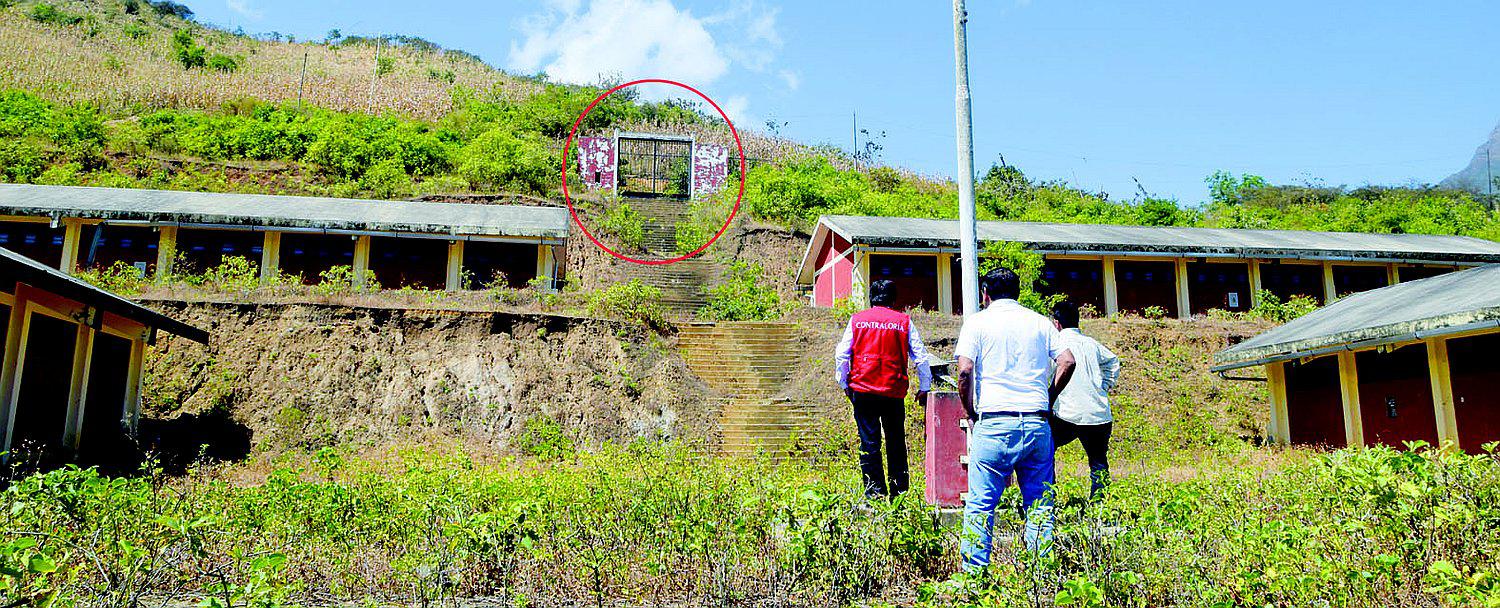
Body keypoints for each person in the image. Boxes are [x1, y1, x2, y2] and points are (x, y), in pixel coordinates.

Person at [955, 268, 1075, 569]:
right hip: (1036, 422)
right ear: (1018, 292)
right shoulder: (1040, 322)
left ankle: (974, 576)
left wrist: (970, 410)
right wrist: (1048, 396)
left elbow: (965, 371)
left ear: (985, 293)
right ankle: (1039, 574)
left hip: (994, 421)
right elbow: (1067, 360)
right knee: (1040, 504)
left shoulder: (977, 323)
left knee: (981, 504)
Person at [834, 279, 933, 499]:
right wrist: (925, 386)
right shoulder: (904, 321)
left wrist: (844, 383)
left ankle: (875, 494)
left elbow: (842, 354)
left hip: (863, 390)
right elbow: (920, 356)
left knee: (869, 442)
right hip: (892, 391)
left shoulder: (857, 320)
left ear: (871, 298)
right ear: (894, 299)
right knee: (896, 441)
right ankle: (899, 493)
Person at [1048, 301, 1121, 498]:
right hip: (1098, 412)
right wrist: (1105, 385)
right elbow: (1113, 361)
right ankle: (1100, 508)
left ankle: (1049, 500)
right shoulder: (1091, 343)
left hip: (1066, 413)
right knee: (1098, 462)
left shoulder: (1055, 343)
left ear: (1056, 323)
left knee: (1045, 451)